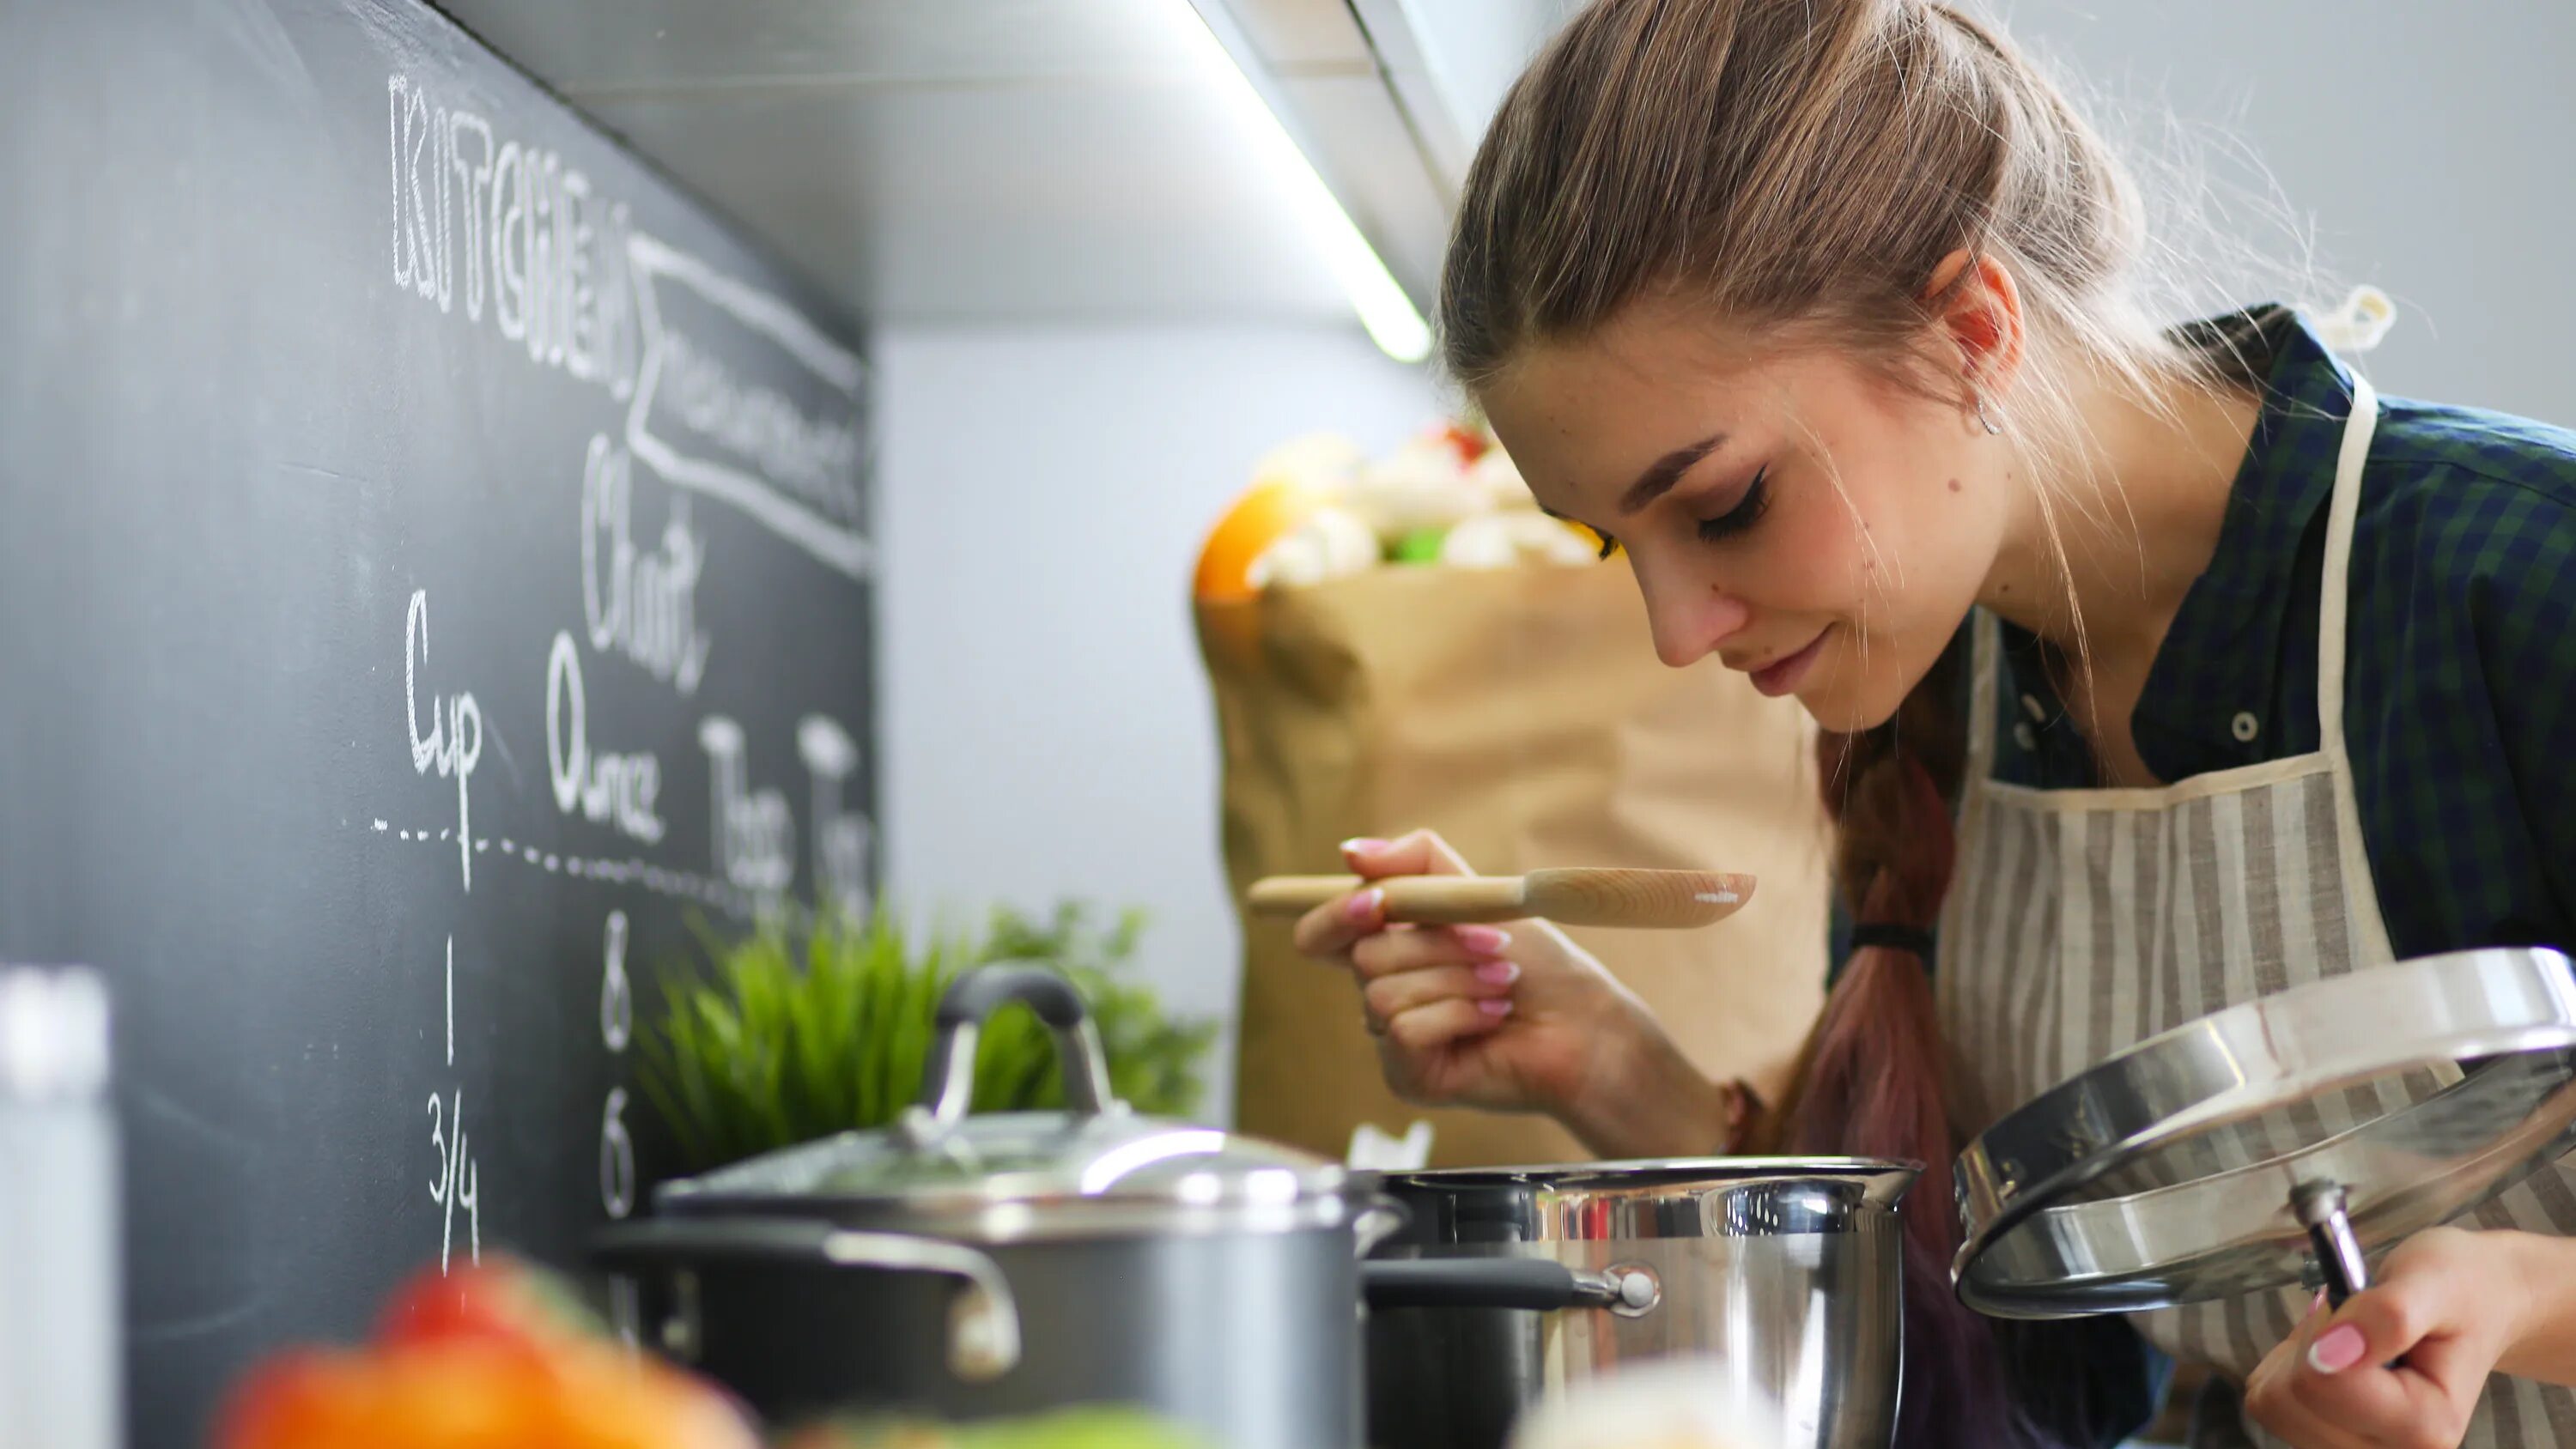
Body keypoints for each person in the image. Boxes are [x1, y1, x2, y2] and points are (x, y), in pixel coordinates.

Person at [1287, 2, 2576, 1446]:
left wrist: (2521, 1298)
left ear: (1972, 332)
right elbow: (2004, 1383)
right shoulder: (1941, 697)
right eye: (1611, 544)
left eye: (1724, 508)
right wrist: (1613, 1070)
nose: (1676, 633)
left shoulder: (2519, 579)